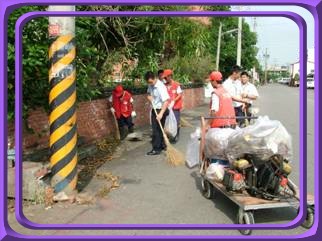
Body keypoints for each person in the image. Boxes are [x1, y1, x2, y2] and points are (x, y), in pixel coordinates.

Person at [145, 71, 170, 155]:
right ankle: (163, 145)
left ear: (155, 78)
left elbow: (166, 101)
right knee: (159, 129)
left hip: (161, 109)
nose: (150, 84)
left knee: (156, 130)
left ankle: (156, 149)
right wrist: (149, 96)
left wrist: (161, 113)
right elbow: (148, 92)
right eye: (148, 82)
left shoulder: (160, 87)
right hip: (155, 108)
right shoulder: (150, 85)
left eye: (151, 82)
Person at [163, 69, 183, 143]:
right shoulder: (164, 86)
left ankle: (176, 135)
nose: (165, 79)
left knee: (176, 122)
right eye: (164, 78)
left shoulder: (176, 84)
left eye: (166, 77)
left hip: (175, 107)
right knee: (167, 123)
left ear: (170, 76)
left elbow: (180, 94)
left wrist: (173, 101)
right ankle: (169, 136)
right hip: (167, 107)